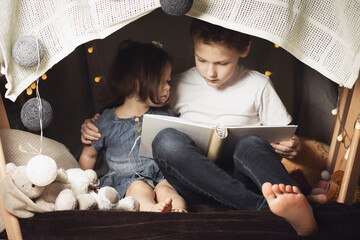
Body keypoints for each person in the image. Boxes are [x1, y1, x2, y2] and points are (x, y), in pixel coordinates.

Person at [81, 21, 325, 235]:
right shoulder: (177, 83)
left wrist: (293, 147)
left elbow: (286, 136)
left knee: (250, 143)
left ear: (244, 49)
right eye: (202, 60)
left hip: (244, 176)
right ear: (193, 48)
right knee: (165, 140)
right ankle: (269, 207)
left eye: (222, 62)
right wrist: (94, 124)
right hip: (193, 182)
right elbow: (141, 111)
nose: (210, 71)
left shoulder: (259, 84)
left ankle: (293, 203)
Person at [79, 40, 187, 213]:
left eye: (168, 81)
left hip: (160, 177)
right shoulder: (107, 120)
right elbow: (89, 156)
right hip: (127, 179)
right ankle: (153, 210)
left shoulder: (164, 116)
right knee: (138, 188)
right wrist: (83, 182)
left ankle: (179, 211)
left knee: (168, 188)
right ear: (133, 81)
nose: (168, 87)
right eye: (161, 81)